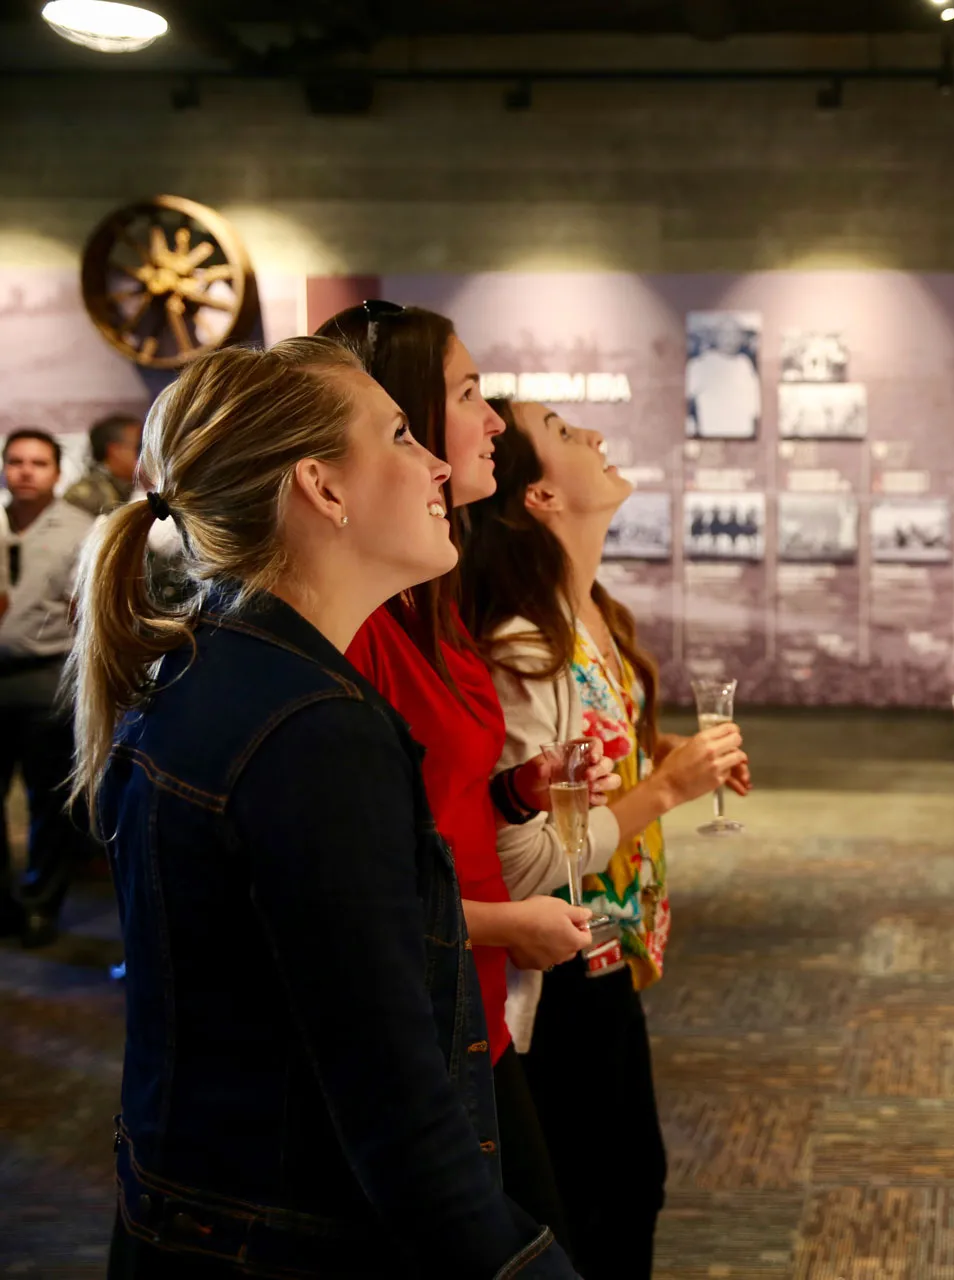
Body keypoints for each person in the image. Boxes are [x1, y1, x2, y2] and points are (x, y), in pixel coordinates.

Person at [69, 338, 578, 1277]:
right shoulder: (312, 728)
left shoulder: (218, 675)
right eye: (396, 433)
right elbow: (396, 1105)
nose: (433, 462)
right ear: (322, 488)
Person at [316, 300, 594, 1256]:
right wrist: (506, 922)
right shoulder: (354, 638)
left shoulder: (429, 601)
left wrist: (518, 791)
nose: (488, 426)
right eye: (467, 395)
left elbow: (426, 812)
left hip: (473, 1003)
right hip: (427, 1015)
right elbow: (349, 898)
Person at [464, 399, 750, 1278]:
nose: (592, 435)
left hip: (608, 946)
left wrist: (666, 755)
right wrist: (668, 788)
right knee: (601, 1196)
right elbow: (531, 858)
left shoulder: (589, 615)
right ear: (542, 496)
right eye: (561, 430)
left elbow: (592, 761)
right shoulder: (527, 644)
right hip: (562, 963)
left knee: (629, 1183)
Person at [0, 427, 97, 947]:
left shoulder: (78, 530)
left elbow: (85, 612)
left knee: (47, 800)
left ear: (58, 472)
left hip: (46, 677)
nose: (25, 471)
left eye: (38, 462)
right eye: (15, 461)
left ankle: (41, 906)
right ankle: (3, 906)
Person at [63, 413, 141, 517]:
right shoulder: (84, 496)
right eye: (139, 447)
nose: (148, 454)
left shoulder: (139, 487)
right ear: (114, 450)